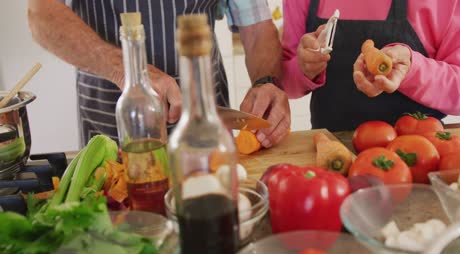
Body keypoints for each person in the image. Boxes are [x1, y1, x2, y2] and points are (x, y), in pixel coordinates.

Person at [27, 0, 290, 148]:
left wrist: (265, 82)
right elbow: (41, 15)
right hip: (112, 129)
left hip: (208, 126)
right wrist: (128, 73)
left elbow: (256, 27)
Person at [281, 0, 460, 132]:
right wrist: (304, 68)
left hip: (420, 158)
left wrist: (412, 69)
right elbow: (286, 83)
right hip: (331, 156)